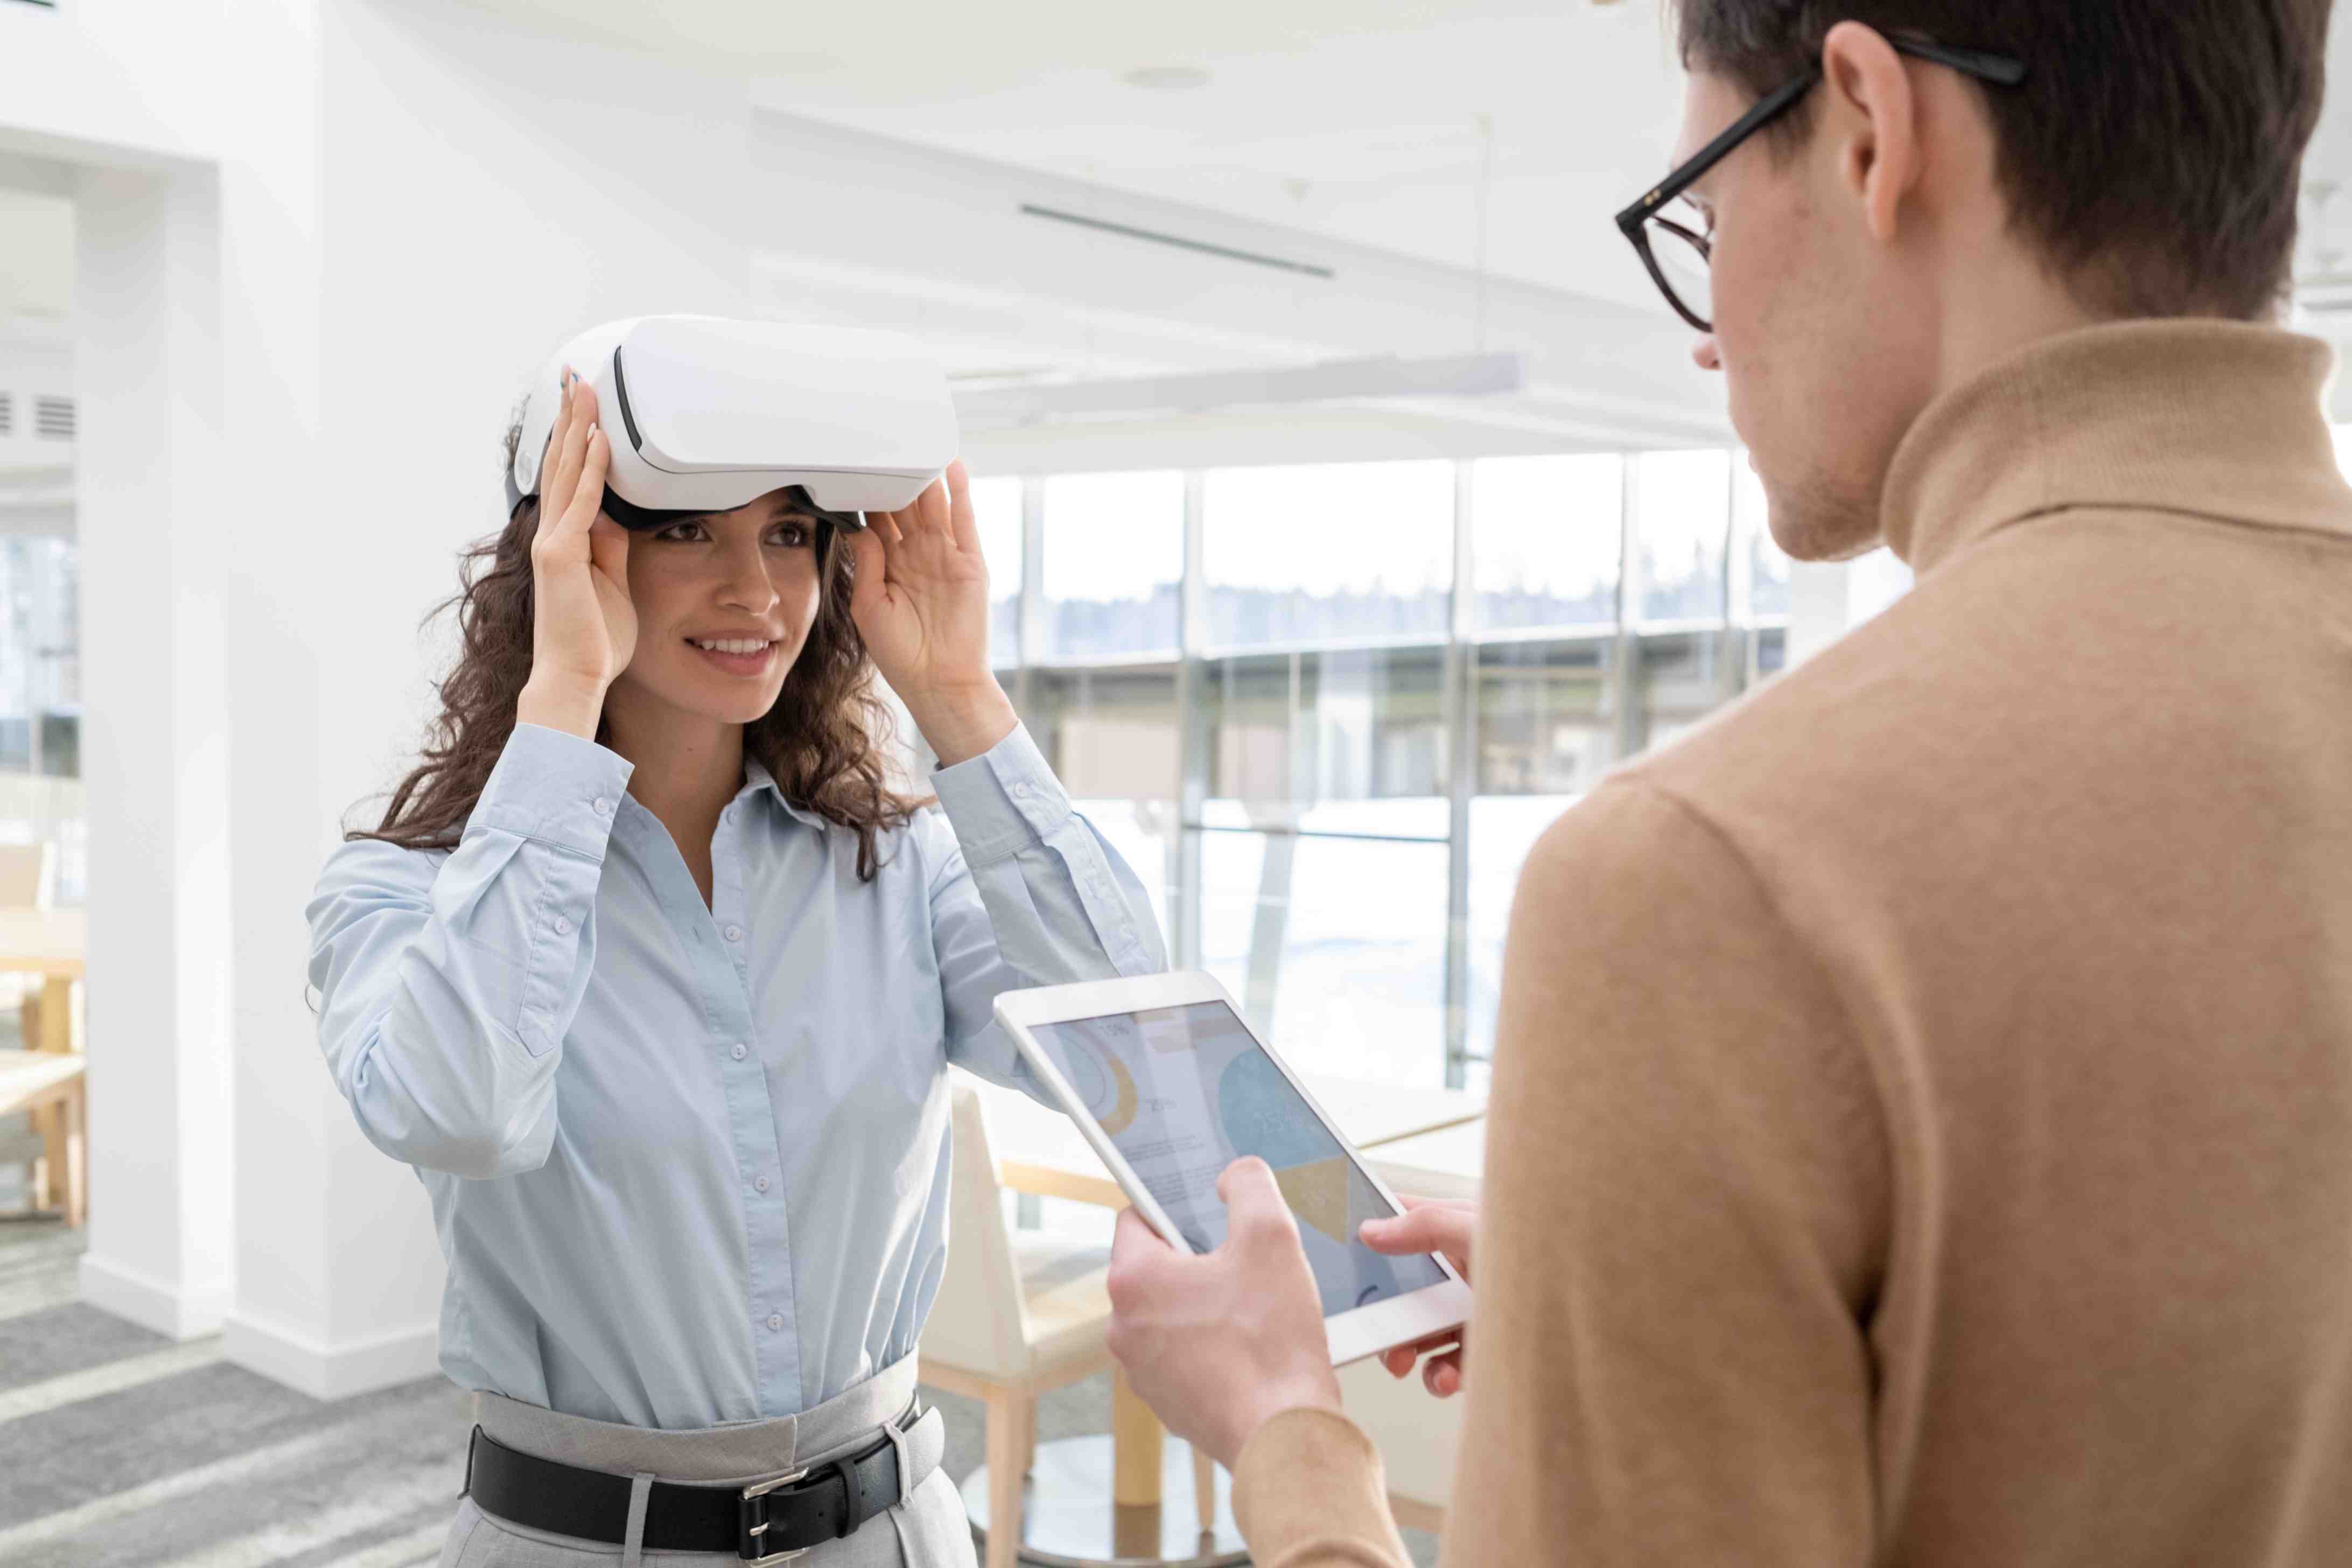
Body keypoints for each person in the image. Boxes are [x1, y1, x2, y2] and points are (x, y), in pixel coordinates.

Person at [1102, 4, 2352, 1565]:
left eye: (1699, 208)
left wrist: (1288, 1437)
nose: (1708, 328)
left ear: (1871, 128)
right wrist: (1673, 1271)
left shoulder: (1713, 878)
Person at [306, 369, 1164, 1566]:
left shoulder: (897, 867)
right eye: (687, 533)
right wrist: (566, 693)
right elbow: (462, 1114)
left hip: (894, 1536)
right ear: (569, 556)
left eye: (789, 534)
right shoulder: (409, 895)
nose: (755, 588)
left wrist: (960, 697)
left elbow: (1136, 1052)